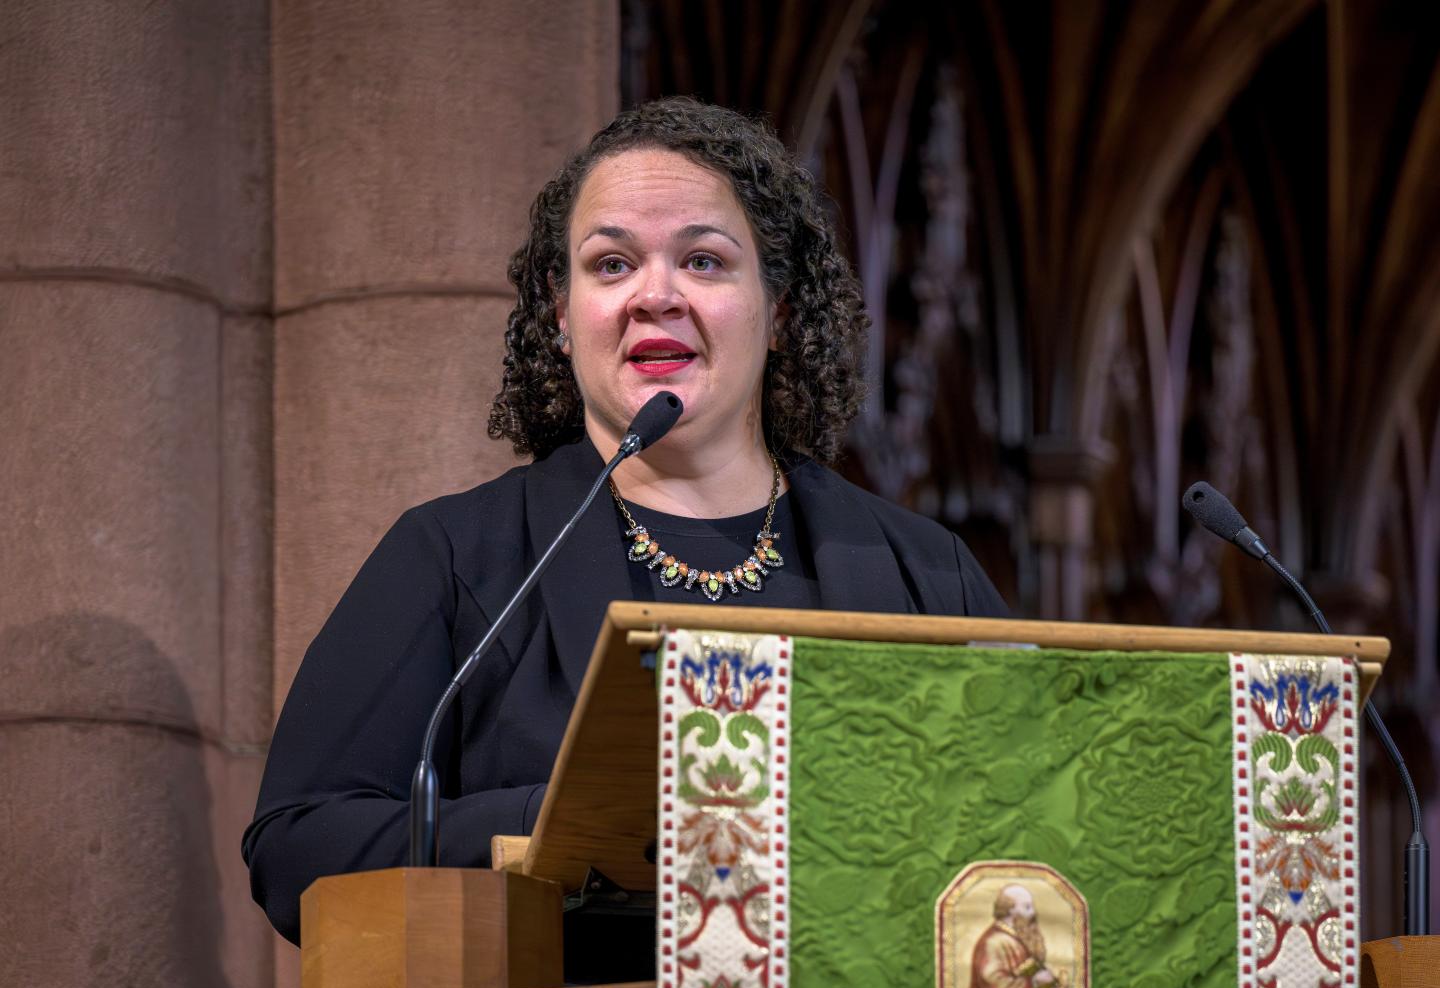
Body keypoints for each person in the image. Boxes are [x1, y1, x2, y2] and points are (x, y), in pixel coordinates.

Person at [243, 97, 1006, 943]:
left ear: (780, 312)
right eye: (611, 265)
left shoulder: (924, 573)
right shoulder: (460, 558)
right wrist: (555, 821)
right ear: (563, 316)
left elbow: (1032, 834)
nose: (656, 295)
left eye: (705, 262)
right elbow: (298, 847)